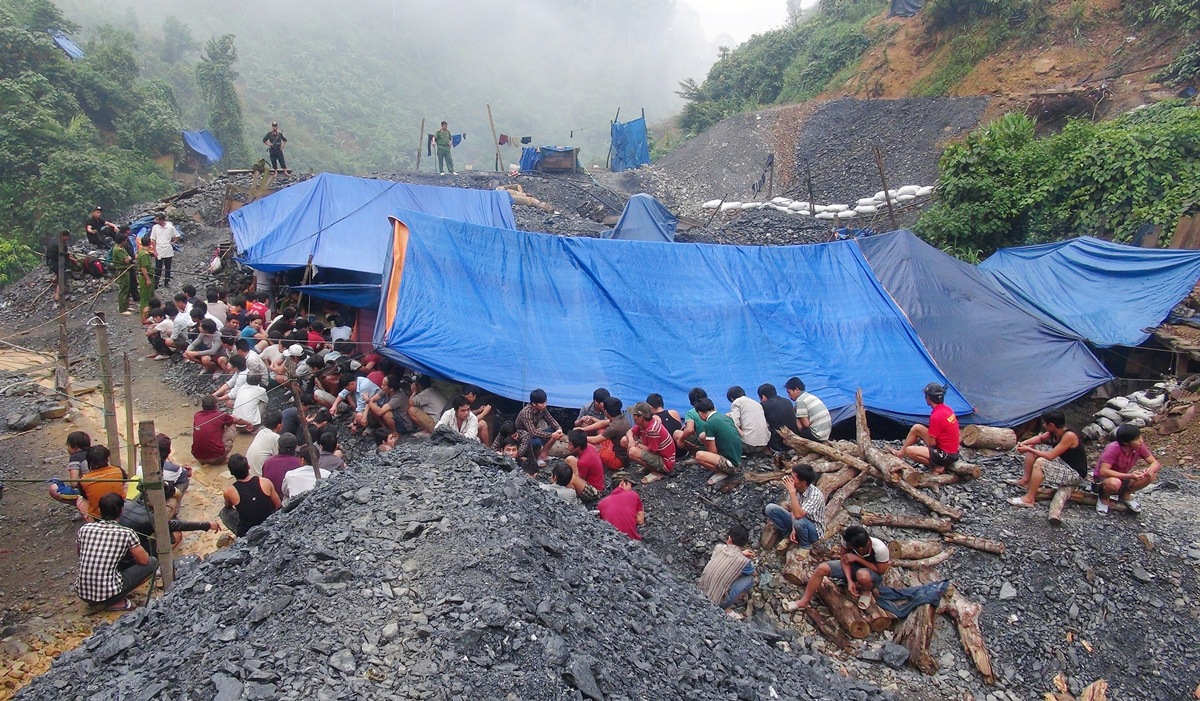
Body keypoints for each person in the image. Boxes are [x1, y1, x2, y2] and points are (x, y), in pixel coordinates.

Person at [75, 493, 157, 611]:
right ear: (121, 510)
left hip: (82, 594)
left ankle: (106, 596)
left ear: (99, 510)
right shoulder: (127, 533)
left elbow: (80, 553)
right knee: (152, 562)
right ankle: (115, 601)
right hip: (107, 595)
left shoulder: (85, 529)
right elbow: (144, 561)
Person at [789, 525, 891, 611]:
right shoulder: (847, 539)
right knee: (822, 568)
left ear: (859, 548)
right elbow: (844, 559)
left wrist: (858, 559)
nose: (846, 545)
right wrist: (849, 580)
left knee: (862, 575)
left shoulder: (880, 549)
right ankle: (804, 601)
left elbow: (881, 570)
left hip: (872, 575)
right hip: (853, 567)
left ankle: (866, 590)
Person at [1009, 409, 1087, 508]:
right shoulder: (1054, 432)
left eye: (1045, 424)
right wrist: (1025, 443)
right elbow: (1040, 439)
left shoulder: (1069, 436)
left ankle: (1029, 499)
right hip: (1063, 462)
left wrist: (1028, 449)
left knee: (1040, 463)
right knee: (1034, 446)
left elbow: (1050, 456)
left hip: (1075, 473)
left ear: (1051, 425)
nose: (1043, 426)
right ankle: (1025, 480)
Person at [117, 485, 219, 553]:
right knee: (176, 535)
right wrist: (208, 525)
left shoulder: (127, 502)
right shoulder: (150, 519)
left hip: (119, 541)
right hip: (132, 552)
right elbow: (180, 525)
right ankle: (158, 563)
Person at [1092, 423, 1161, 514]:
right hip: (1103, 480)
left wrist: (1150, 469)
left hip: (1123, 478)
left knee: (1151, 475)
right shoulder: (1113, 449)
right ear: (1126, 442)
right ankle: (1104, 498)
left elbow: (1155, 463)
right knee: (1114, 483)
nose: (1141, 441)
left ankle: (1126, 495)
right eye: (1137, 439)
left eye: (1140, 437)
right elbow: (1104, 471)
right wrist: (1129, 476)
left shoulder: (1139, 447)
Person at [892, 382, 960, 474]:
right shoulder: (947, 409)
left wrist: (924, 448)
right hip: (952, 451)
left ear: (928, 398)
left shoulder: (936, 416)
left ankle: (938, 465)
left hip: (946, 455)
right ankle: (900, 453)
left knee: (910, 451)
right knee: (917, 428)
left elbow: (932, 443)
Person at [698, 524, 756, 617]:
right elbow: (754, 574)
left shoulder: (718, 548)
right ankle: (726, 606)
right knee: (749, 579)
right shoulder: (744, 561)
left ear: (729, 538)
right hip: (716, 603)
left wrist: (740, 553)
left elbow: (730, 552)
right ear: (744, 544)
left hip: (699, 591)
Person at [765, 464, 825, 553]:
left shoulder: (815, 495)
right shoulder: (796, 489)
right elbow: (793, 510)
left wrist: (792, 492)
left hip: (813, 530)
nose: (790, 480)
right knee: (770, 508)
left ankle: (805, 545)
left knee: (799, 521)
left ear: (803, 483)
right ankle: (787, 535)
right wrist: (793, 529)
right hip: (798, 522)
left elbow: (799, 515)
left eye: (793, 478)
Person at [220, 455, 281, 537]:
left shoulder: (230, 491)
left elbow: (228, 505)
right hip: (269, 525)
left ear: (231, 473)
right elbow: (278, 505)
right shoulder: (265, 482)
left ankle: (240, 538)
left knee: (225, 511)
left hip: (247, 532)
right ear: (248, 467)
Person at [693, 398, 743, 487]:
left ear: (700, 413)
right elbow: (741, 434)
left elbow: (713, 451)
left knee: (699, 455)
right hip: (737, 456)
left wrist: (708, 457)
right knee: (702, 436)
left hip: (731, 464)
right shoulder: (724, 417)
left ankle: (722, 472)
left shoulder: (709, 423)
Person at [624, 402, 677, 484]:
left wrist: (636, 444)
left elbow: (651, 450)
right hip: (656, 453)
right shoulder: (644, 424)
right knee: (624, 440)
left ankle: (658, 471)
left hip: (665, 461)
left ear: (641, 417)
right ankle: (651, 467)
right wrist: (631, 440)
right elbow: (629, 431)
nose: (633, 417)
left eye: (634, 415)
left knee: (632, 451)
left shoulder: (653, 429)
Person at [191, 395, 251, 465]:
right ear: (216, 405)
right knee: (232, 423)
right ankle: (222, 460)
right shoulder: (221, 415)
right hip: (217, 457)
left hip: (199, 457)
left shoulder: (197, 415)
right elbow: (237, 421)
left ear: (202, 406)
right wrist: (248, 423)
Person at [76, 446, 128, 521]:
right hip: (121, 510)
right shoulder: (118, 470)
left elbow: (85, 496)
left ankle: (91, 521)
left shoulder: (83, 480)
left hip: (98, 516)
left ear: (88, 462)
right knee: (126, 484)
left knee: (80, 500)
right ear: (108, 459)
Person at [516, 389, 564, 464]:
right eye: (542, 403)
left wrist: (559, 429)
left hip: (533, 433)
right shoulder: (526, 413)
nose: (545, 404)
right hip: (523, 437)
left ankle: (543, 455)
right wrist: (552, 435)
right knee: (537, 441)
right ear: (534, 404)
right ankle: (536, 458)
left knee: (554, 431)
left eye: (545, 402)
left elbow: (550, 419)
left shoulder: (542, 409)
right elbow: (533, 432)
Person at [597, 472, 645, 540]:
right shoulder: (633, 495)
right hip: (631, 541)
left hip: (609, 541)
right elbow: (640, 521)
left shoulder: (601, 503)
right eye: (630, 485)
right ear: (623, 483)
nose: (631, 489)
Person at [588, 396, 631, 470]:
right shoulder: (621, 417)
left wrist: (576, 436)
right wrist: (583, 429)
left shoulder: (614, 427)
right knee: (601, 431)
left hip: (618, 460)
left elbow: (594, 440)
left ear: (606, 412)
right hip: (623, 452)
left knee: (589, 447)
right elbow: (603, 423)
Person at [49, 431, 92, 504]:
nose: (67, 448)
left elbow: (74, 483)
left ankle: (82, 506)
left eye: (68, 445)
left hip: (89, 491)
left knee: (53, 489)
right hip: (104, 487)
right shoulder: (95, 452)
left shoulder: (75, 457)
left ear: (75, 447)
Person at [784, 377, 832, 442]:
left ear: (797, 389)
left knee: (794, 417)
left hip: (817, 436)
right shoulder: (808, 396)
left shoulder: (800, 400)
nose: (789, 396)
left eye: (789, 392)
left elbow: (806, 424)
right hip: (826, 434)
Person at [726, 386, 770, 455]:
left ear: (732, 399)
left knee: (728, 417)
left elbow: (735, 423)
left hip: (748, 445)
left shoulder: (737, 402)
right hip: (763, 443)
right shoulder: (757, 404)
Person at [758, 383, 801, 453]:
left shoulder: (763, 405)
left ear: (763, 397)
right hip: (794, 440)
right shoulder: (787, 401)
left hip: (778, 445)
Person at [564, 429, 604, 501]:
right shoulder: (589, 446)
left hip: (595, 490)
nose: (568, 446)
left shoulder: (583, 462)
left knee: (569, 480)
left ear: (578, 447)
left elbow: (581, 478)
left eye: (570, 444)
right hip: (594, 480)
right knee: (569, 459)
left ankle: (570, 499)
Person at [247, 409, 283, 476]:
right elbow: (279, 459)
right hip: (260, 478)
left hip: (249, 473)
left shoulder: (261, 432)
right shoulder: (276, 437)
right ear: (279, 426)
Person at [674, 388, 709, 453]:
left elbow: (690, 429)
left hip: (704, 446)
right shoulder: (713, 409)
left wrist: (681, 440)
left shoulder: (690, 413)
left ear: (690, 402)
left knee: (677, 433)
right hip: (717, 443)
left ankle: (694, 455)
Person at [149, 213, 179, 288]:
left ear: (162, 220)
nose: (156, 221)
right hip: (159, 250)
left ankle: (166, 282)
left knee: (168, 268)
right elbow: (153, 239)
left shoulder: (170, 227)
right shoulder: (155, 227)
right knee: (158, 268)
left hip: (168, 250)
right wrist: (154, 250)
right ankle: (156, 283)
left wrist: (173, 242)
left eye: (157, 219)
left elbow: (177, 236)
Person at [110, 233, 135, 315]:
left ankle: (126, 305)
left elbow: (128, 257)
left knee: (127, 289)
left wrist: (129, 258)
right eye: (125, 241)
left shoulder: (122, 248)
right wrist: (129, 258)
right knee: (123, 290)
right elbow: (126, 260)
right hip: (122, 271)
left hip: (126, 270)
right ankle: (122, 309)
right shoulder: (117, 249)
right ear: (122, 241)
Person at [135, 234, 155, 319]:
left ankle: (150, 312)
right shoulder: (145, 255)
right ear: (150, 243)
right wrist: (148, 280)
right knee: (145, 297)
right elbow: (144, 268)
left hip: (147, 276)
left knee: (151, 295)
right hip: (146, 277)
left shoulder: (141, 251)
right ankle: (144, 314)